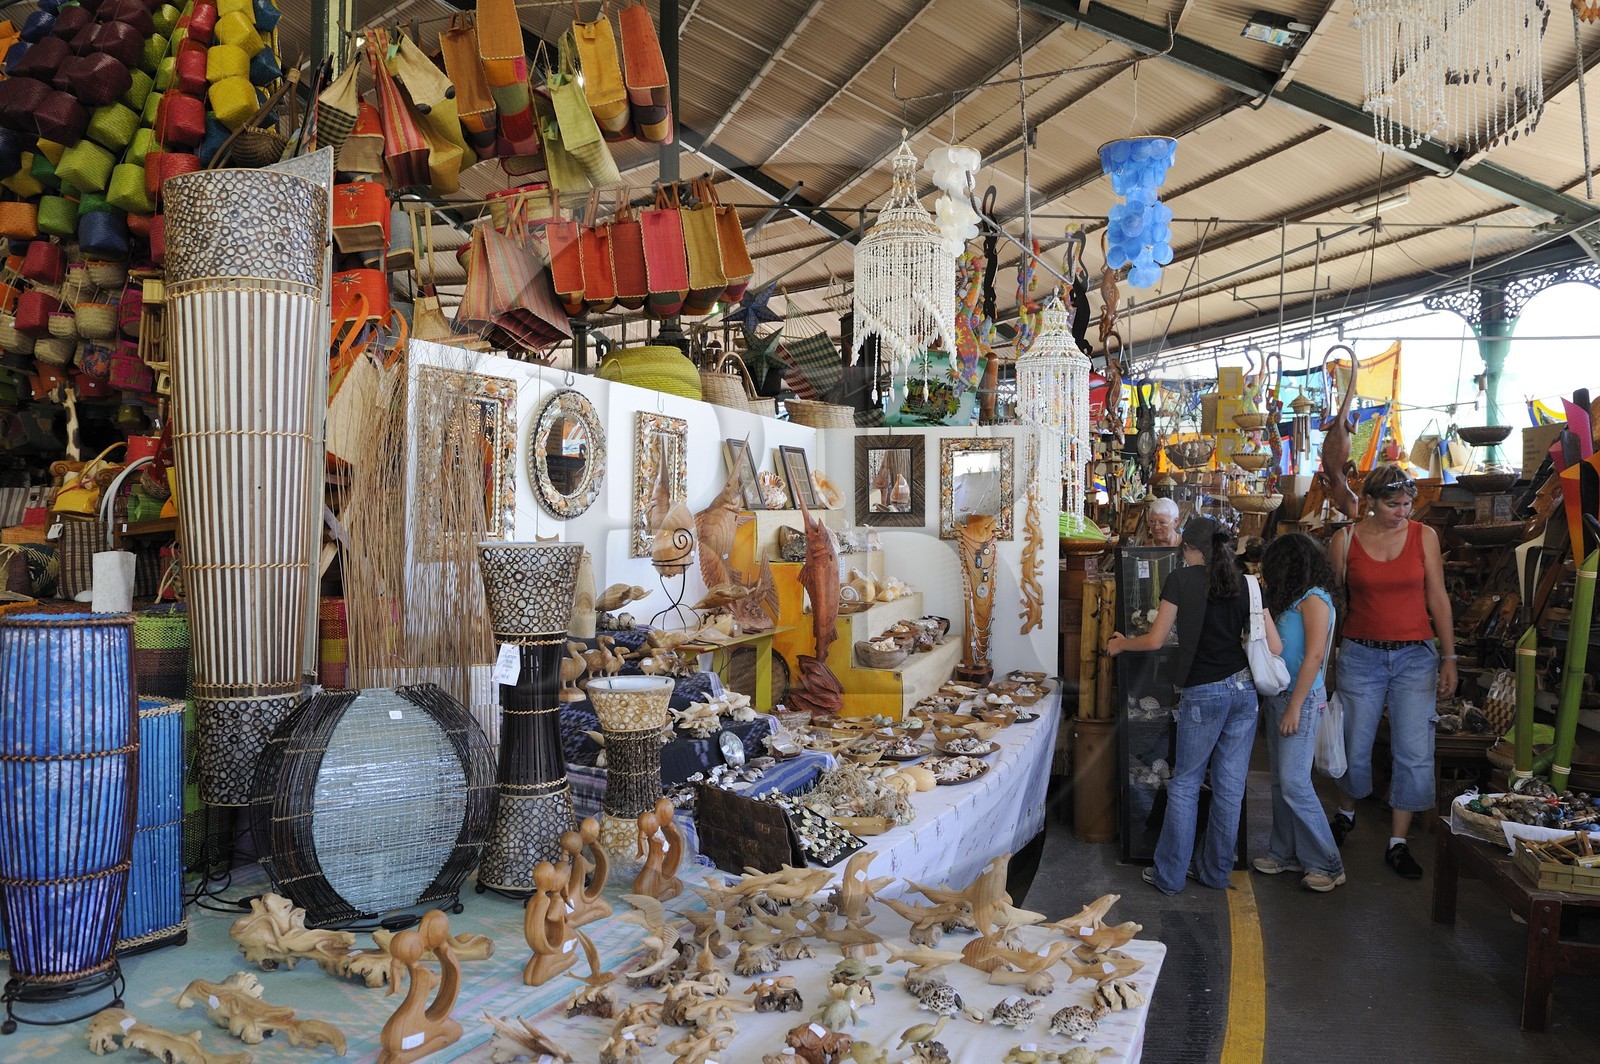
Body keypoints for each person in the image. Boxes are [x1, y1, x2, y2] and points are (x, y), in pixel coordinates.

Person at [1107, 516, 1276, 894]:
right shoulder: (1248, 584)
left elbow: (1153, 640)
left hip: (1203, 693)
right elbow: (1274, 647)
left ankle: (1169, 876)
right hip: (1244, 693)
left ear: (1190, 550)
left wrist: (1120, 644)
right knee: (1229, 788)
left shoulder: (1180, 580)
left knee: (1184, 784)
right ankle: (1216, 873)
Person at [1328, 464, 1457, 880]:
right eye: (1393, 504)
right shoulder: (1344, 540)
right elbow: (1332, 605)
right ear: (1370, 502)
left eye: (1407, 504)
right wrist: (1322, 660)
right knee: (1353, 742)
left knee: (1414, 750)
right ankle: (1346, 814)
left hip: (1415, 657)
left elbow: (1437, 598)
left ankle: (1398, 842)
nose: (1402, 511)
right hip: (1360, 653)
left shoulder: (1425, 537)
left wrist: (1449, 656)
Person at [1255, 533, 1345, 892]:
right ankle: (1285, 852)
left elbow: (1314, 657)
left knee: (1294, 782)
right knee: (1281, 781)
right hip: (1282, 695)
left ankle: (1328, 862)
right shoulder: (1294, 599)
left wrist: (1294, 706)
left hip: (1301, 699)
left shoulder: (1315, 600)